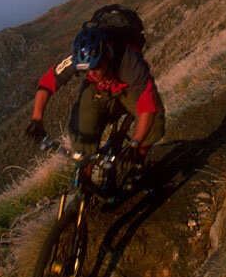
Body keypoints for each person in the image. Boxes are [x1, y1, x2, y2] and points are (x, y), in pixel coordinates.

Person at [24, 24, 165, 193]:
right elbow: (48, 81)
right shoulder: (76, 57)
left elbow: (147, 106)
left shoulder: (130, 61)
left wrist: (135, 144)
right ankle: (85, 180)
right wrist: (36, 119)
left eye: (96, 67)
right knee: (83, 128)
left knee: (154, 123)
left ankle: (138, 164)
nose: (92, 73)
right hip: (97, 90)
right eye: (87, 70)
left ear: (107, 55)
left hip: (128, 88)